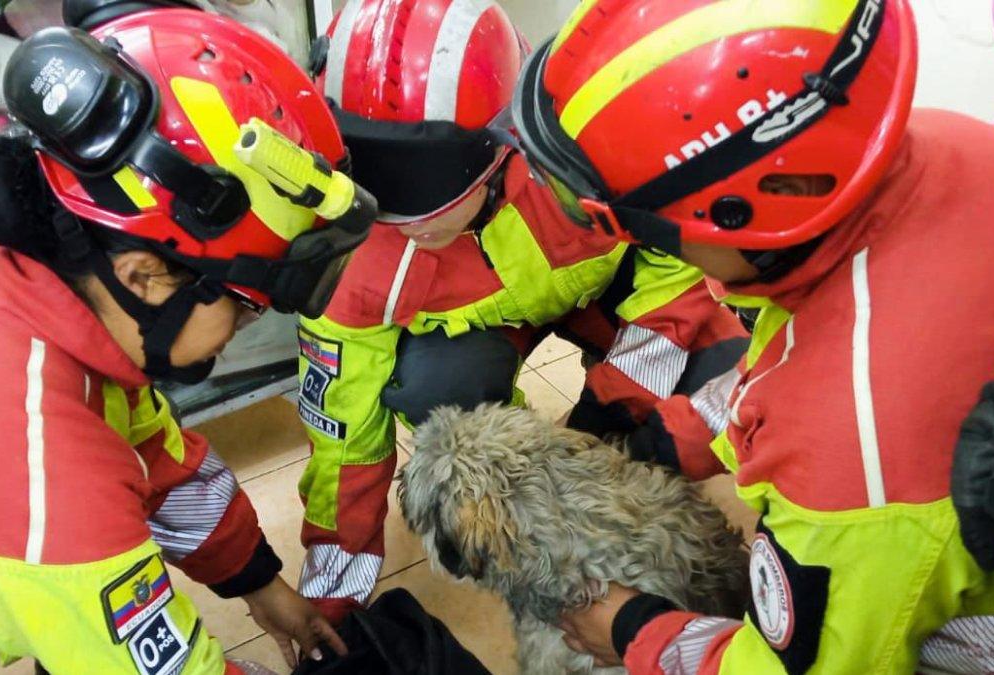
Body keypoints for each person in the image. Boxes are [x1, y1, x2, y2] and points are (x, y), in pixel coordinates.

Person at [0, 10, 371, 674]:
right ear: (142, 275)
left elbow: (161, 458)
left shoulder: (27, 298)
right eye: (243, 307)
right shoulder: (47, 484)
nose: (243, 330)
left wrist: (259, 583)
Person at [510, 0, 994, 672]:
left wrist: (633, 627)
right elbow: (798, 348)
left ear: (754, 206)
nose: (648, 243)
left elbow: (792, 666)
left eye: (646, 226)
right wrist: (668, 438)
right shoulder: (958, 149)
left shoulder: (855, 459)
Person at [295, 0, 748, 624]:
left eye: (421, 195)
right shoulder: (350, 259)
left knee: (724, 381)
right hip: (482, 337)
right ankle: (520, 500)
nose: (397, 222)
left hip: (606, 303)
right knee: (430, 388)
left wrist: (602, 426)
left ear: (499, 147)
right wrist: (332, 593)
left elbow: (675, 284)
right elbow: (341, 435)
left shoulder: (586, 157)